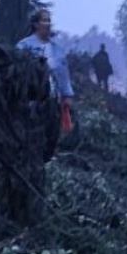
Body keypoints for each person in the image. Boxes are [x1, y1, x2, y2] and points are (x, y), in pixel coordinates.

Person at [16, 9, 74, 161]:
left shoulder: (57, 49)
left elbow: (64, 74)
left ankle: (46, 159)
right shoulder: (24, 46)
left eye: (49, 20)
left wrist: (67, 95)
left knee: (52, 132)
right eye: (44, 20)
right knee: (33, 130)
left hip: (53, 98)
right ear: (36, 24)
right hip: (33, 99)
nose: (47, 24)